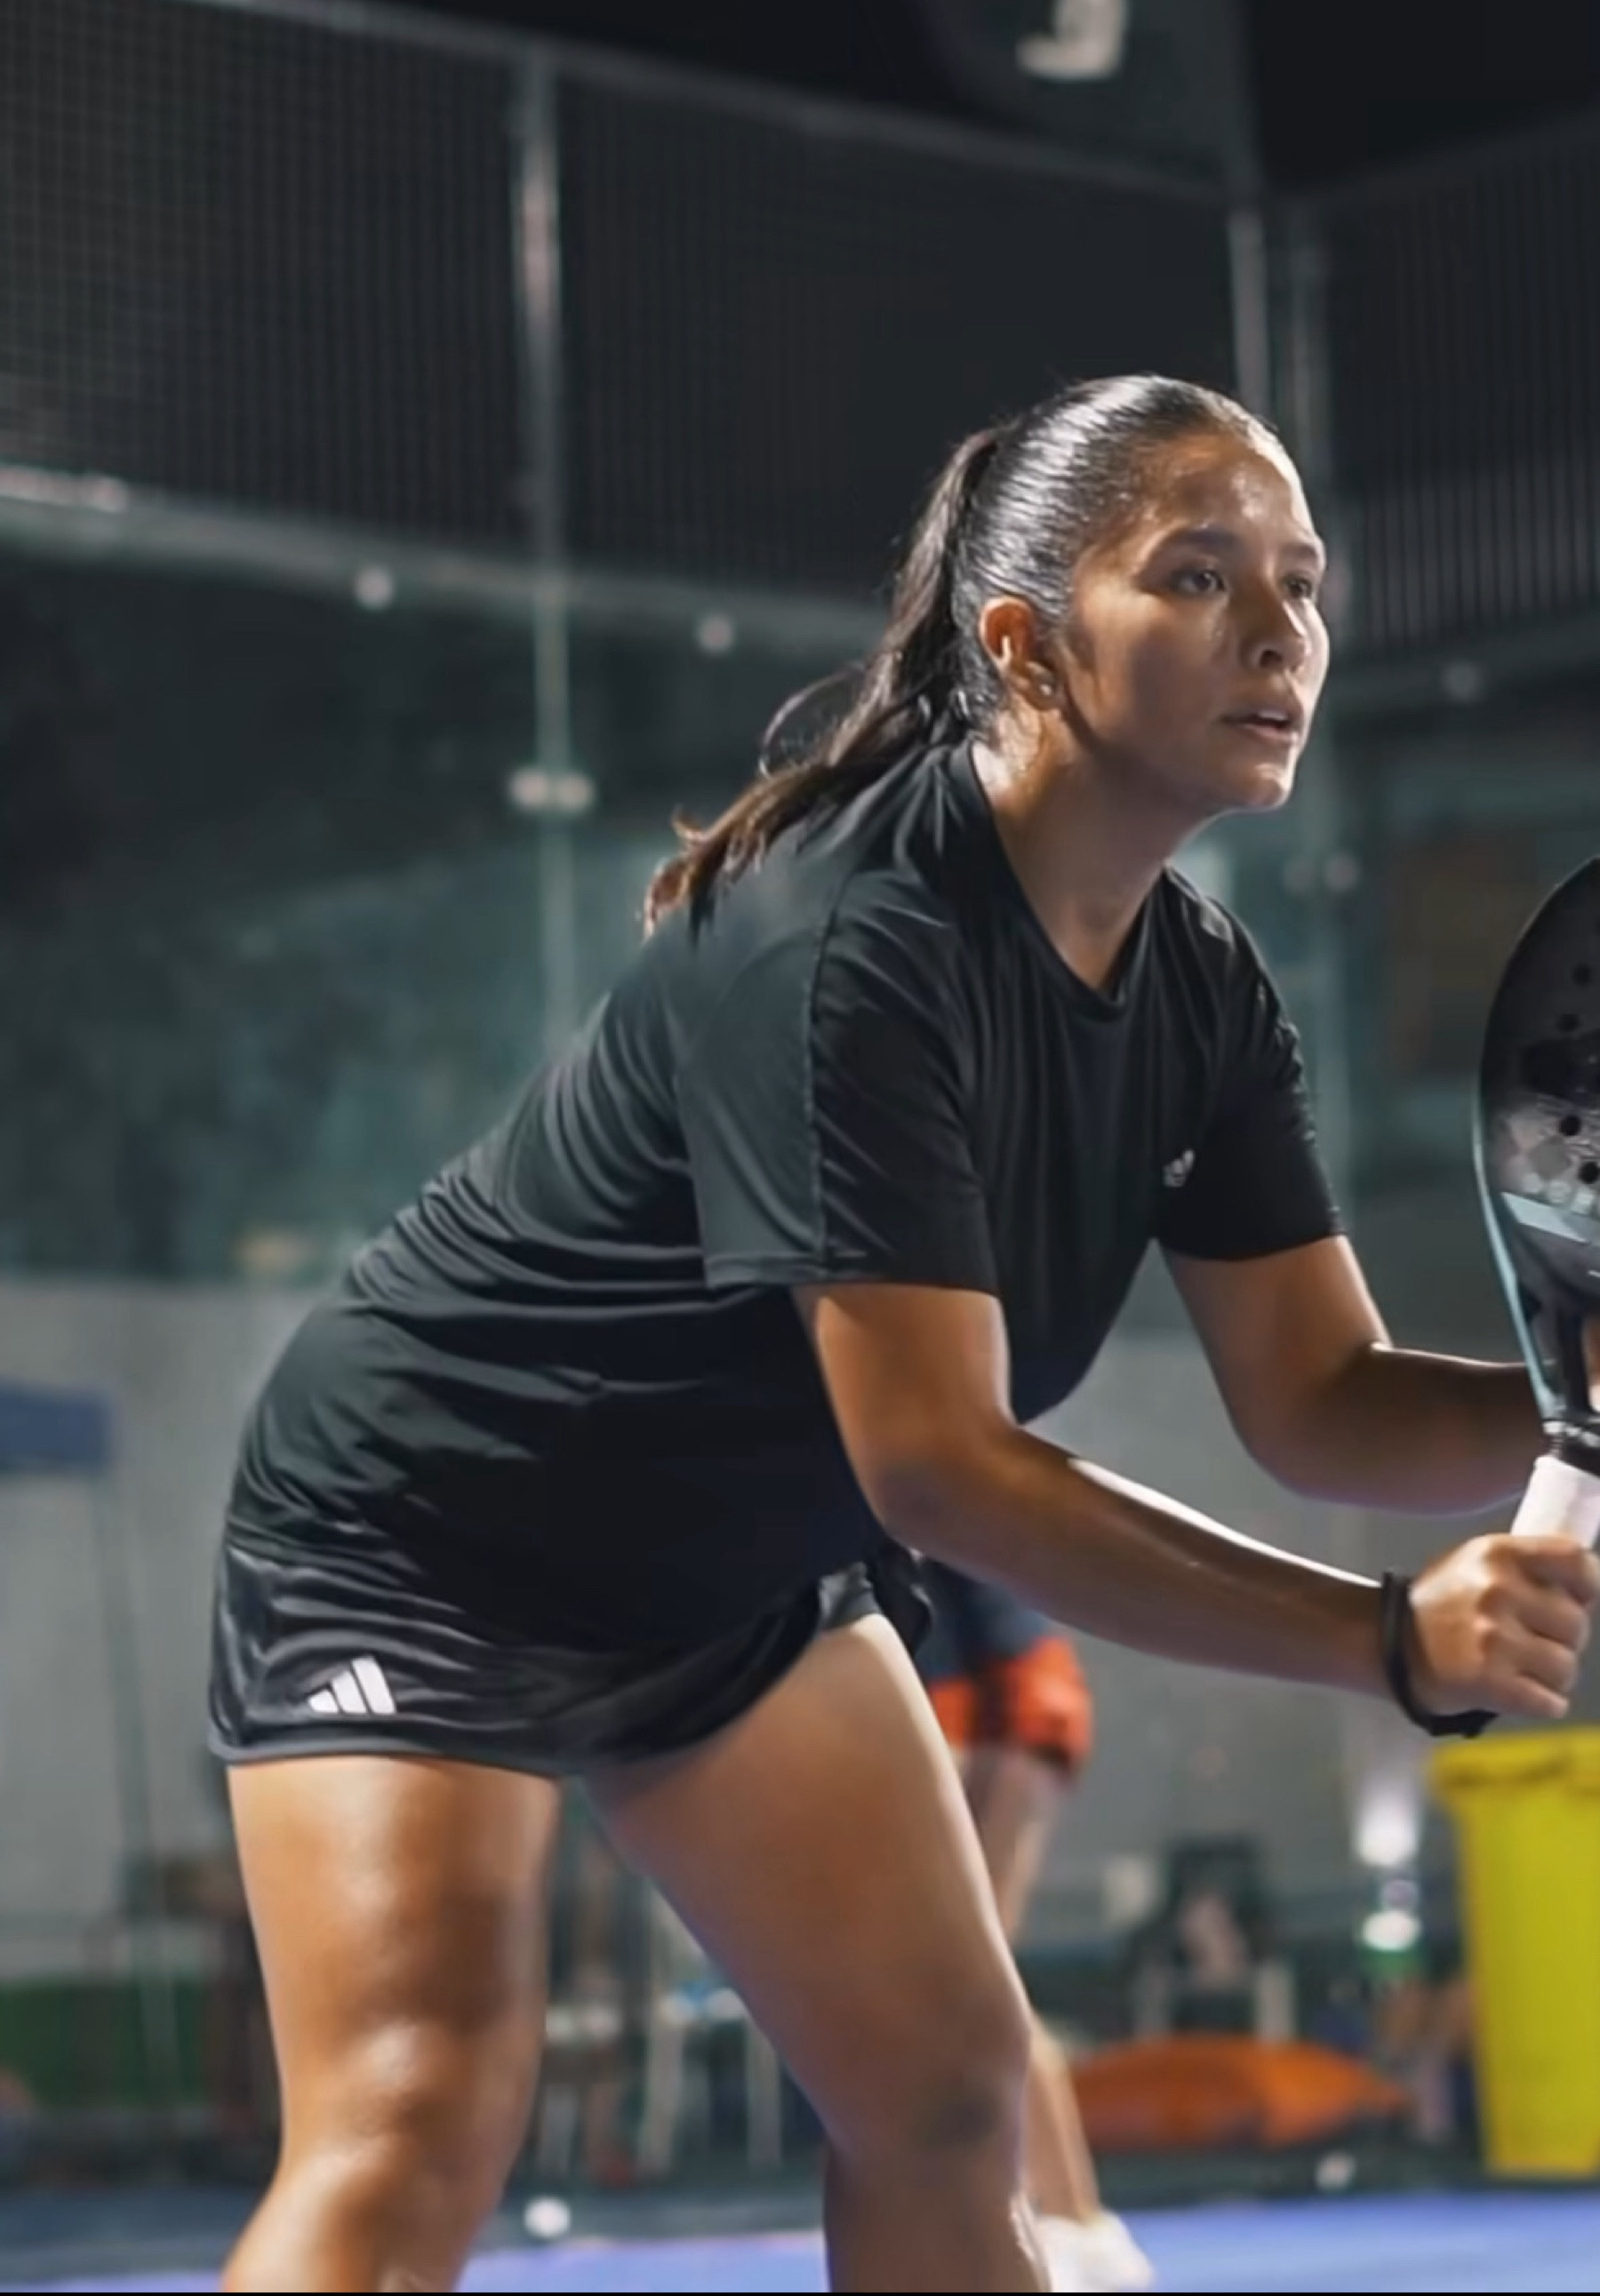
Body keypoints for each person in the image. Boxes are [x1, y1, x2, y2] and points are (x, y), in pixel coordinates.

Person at [208, 373, 1599, 2296]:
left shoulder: (1201, 988)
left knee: (947, 2099)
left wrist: (1568, 1389)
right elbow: (939, 1467)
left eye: (1301, 580)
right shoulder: (847, 936)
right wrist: (1383, 1639)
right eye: (1199, 575)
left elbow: (1321, 1396)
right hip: (427, 1532)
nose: (1281, 631)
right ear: (1021, 644)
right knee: (418, 2114)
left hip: (727, 1587)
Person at [916, 1564, 1148, 2294]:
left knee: (981, 1979)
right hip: (1008, 1708)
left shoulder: (895, 1528)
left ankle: (1079, 2219)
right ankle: (1061, 2214)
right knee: (969, 1981)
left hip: (1014, 1712)